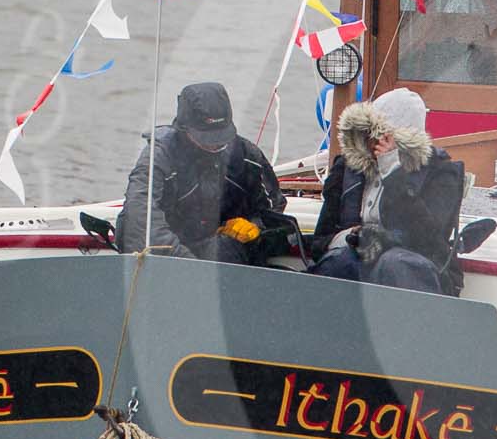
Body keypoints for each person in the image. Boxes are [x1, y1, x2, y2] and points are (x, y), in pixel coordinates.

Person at [314, 88, 469, 294]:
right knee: (341, 262)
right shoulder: (346, 168)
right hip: (353, 264)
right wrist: (350, 236)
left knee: (395, 263)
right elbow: (319, 240)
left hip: (413, 269)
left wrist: (392, 173)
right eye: (366, 134)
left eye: (379, 136)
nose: (371, 143)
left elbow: (430, 239)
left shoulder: (441, 173)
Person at [116, 81, 287, 263]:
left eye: (220, 137)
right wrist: (191, 266)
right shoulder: (158, 158)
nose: (214, 145)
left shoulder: (247, 157)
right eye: (206, 138)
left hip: (220, 254)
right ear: (184, 128)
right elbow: (140, 220)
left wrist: (255, 226)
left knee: (225, 249)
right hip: (169, 256)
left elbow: (276, 214)